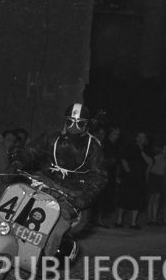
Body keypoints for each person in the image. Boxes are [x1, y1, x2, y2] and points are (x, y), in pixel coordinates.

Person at [13, 102, 107, 256]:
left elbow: (100, 177)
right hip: (45, 181)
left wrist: (85, 197)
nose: (74, 127)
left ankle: (46, 260)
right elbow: (31, 150)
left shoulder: (93, 147)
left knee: (56, 228)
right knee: (19, 200)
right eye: (70, 122)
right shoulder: (51, 137)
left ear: (86, 125)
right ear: (65, 120)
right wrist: (18, 161)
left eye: (80, 123)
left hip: (72, 193)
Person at [115, 130, 151, 229]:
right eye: (139, 137)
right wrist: (128, 172)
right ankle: (119, 221)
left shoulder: (146, 149)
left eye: (143, 137)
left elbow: (150, 162)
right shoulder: (130, 147)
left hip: (140, 178)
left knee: (137, 199)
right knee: (124, 198)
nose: (141, 139)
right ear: (136, 138)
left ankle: (133, 222)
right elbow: (123, 159)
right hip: (129, 176)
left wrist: (142, 151)